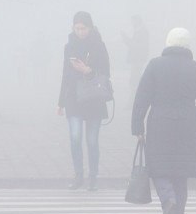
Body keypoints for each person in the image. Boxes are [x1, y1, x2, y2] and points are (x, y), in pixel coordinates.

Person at [131, 27, 196, 214]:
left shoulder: (155, 66)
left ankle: (169, 200)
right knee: (180, 172)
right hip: (188, 125)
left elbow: (142, 97)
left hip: (160, 123)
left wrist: (138, 127)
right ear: (188, 46)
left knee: (159, 168)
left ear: (167, 43)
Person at [57, 11, 112, 190]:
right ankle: (78, 175)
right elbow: (65, 74)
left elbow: (106, 72)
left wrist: (88, 71)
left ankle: (93, 176)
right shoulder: (69, 46)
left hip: (93, 97)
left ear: (90, 27)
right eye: (77, 28)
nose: (80, 31)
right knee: (75, 137)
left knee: (92, 140)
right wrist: (60, 102)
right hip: (73, 97)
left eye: (83, 28)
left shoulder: (99, 45)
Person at [122, 15, 150, 96]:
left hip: (138, 59)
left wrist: (125, 38)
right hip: (138, 59)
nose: (132, 23)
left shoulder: (142, 32)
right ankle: (134, 97)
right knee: (134, 78)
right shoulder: (140, 31)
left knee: (134, 79)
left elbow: (135, 46)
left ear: (137, 21)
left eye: (133, 21)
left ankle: (134, 98)